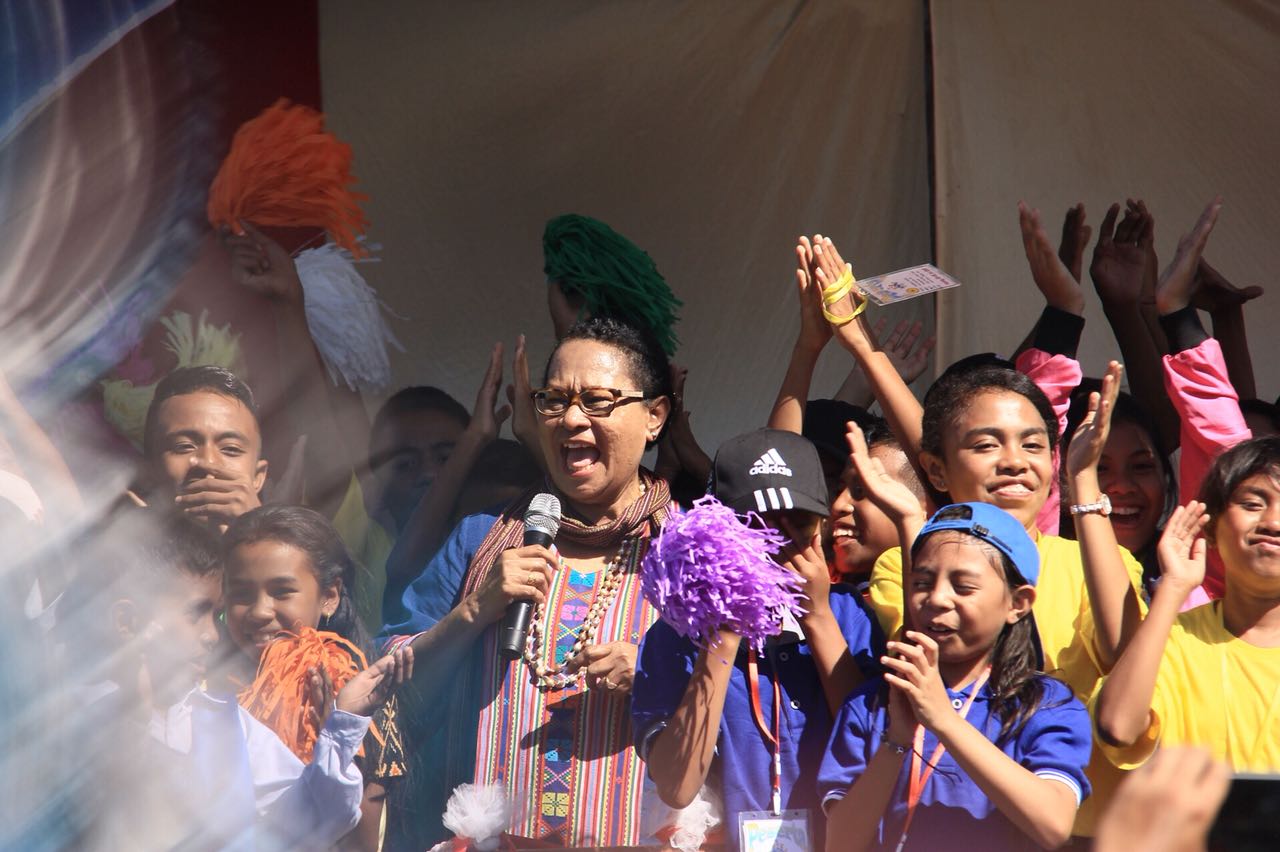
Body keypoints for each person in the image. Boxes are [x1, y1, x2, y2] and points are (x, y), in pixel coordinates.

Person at [380, 317, 674, 848]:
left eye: (597, 401)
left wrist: (661, 675)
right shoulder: (482, 538)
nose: (571, 419)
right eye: (554, 401)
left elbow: (757, 700)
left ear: (654, 416)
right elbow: (387, 679)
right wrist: (474, 611)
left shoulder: (692, 552)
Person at [70, 510, 408, 850]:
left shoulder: (226, 722)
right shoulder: (75, 716)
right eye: (195, 613)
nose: (212, 635)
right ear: (127, 622)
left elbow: (315, 818)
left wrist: (340, 729)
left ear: (330, 595)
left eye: (282, 591)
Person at [633, 428, 882, 851]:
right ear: (717, 531)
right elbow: (677, 787)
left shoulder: (850, 614)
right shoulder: (675, 635)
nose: (776, 544)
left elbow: (877, 749)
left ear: (822, 526)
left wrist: (817, 617)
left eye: (797, 524)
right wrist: (724, 634)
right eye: (754, 527)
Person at [820, 501, 1092, 851]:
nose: (937, 599)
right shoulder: (874, 702)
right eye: (921, 582)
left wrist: (944, 720)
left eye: (963, 587)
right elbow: (840, 843)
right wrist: (896, 740)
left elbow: (1053, 825)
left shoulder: (1046, 705)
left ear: (1018, 603)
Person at [220, 505, 407, 852]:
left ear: (329, 597)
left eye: (282, 591)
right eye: (241, 595)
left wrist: (336, 741)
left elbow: (360, 844)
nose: (260, 611)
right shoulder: (207, 689)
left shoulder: (354, 694)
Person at [1093, 436, 1280, 773]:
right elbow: (1118, 727)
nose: (1273, 523)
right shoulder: (1174, 639)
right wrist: (1173, 586)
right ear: (1211, 527)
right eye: (1252, 504)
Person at [139, 365, 268, 532]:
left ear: (258, 477)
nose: (208, 461)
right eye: (184, 446)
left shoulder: (296, 545)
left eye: (231, 449)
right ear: (148, 471)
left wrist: (254, 532)